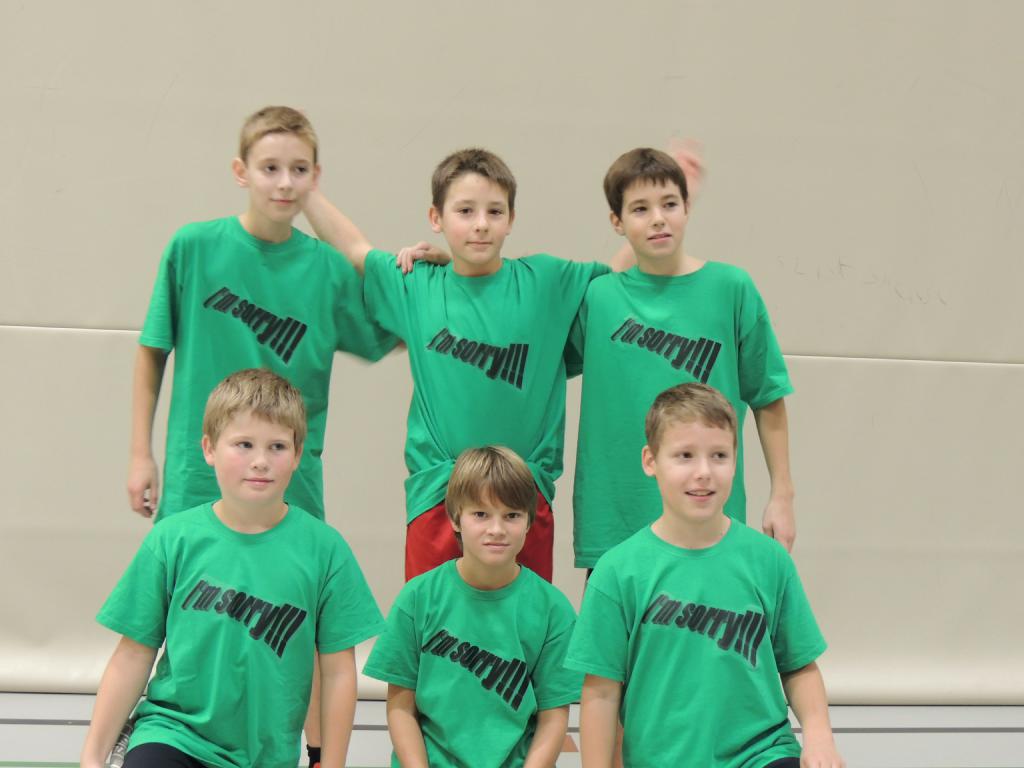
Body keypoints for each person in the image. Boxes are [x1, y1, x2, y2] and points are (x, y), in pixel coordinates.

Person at [304, 149, 609, 582]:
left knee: (523, 621)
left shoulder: (546, 282)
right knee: (434, 619)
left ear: (511, 218)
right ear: (436, 217)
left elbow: (617, 286)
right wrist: (305, 190)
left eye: (494, 211)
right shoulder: (417, 284)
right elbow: (356, 250)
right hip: (439, 497)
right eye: (465, 211)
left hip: (522, 500)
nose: (480, 223)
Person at [81, 368, 385, 768]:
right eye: (244, 444)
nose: (260, 461)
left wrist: (330, 762)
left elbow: (338, 673)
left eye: (277, 446)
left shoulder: (326, 552)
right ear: (209, 449)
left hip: (264, 756)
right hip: (174, 733)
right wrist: (92, 756)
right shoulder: (173, 539)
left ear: (297, 454)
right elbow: (133, 655)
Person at [127, 105, 395, 524]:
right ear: (241, 172)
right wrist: (140, 455)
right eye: (270, 168)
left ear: (315, 177)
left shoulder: (329, 270)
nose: (285, 183)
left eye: (299, 169)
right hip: (198, 476)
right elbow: (152, 350)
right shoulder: (194, 248)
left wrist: (425, 276)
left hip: (290, 487)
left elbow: (398, 327)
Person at [566, 383, 843, 768]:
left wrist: (819, 736)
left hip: (760, 754)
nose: (704, 473)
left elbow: (799, 664)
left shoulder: (769, 560)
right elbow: (600, 693)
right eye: (684, 456)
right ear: (650, 461)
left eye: (719, 456)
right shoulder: (617, 572)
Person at [569, 146, 795, 574]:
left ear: (687, 208)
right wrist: (451, 267)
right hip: (616, 519)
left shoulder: (731, 288)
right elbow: (534, 346)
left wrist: (782, 496)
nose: (658, 218)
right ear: (616, 222)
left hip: (707, 518)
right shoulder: (598, 298)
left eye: (669, 204)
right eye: (640, 209)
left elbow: (768, 396)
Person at [363, 446, 581, 767]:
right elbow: (400, 707)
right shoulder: (418, 598)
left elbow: (553, 716)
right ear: (455, 519)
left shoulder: (554, 611)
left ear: (528, 521)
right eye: (481, 514)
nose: (497, 529)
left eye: (512, 515)